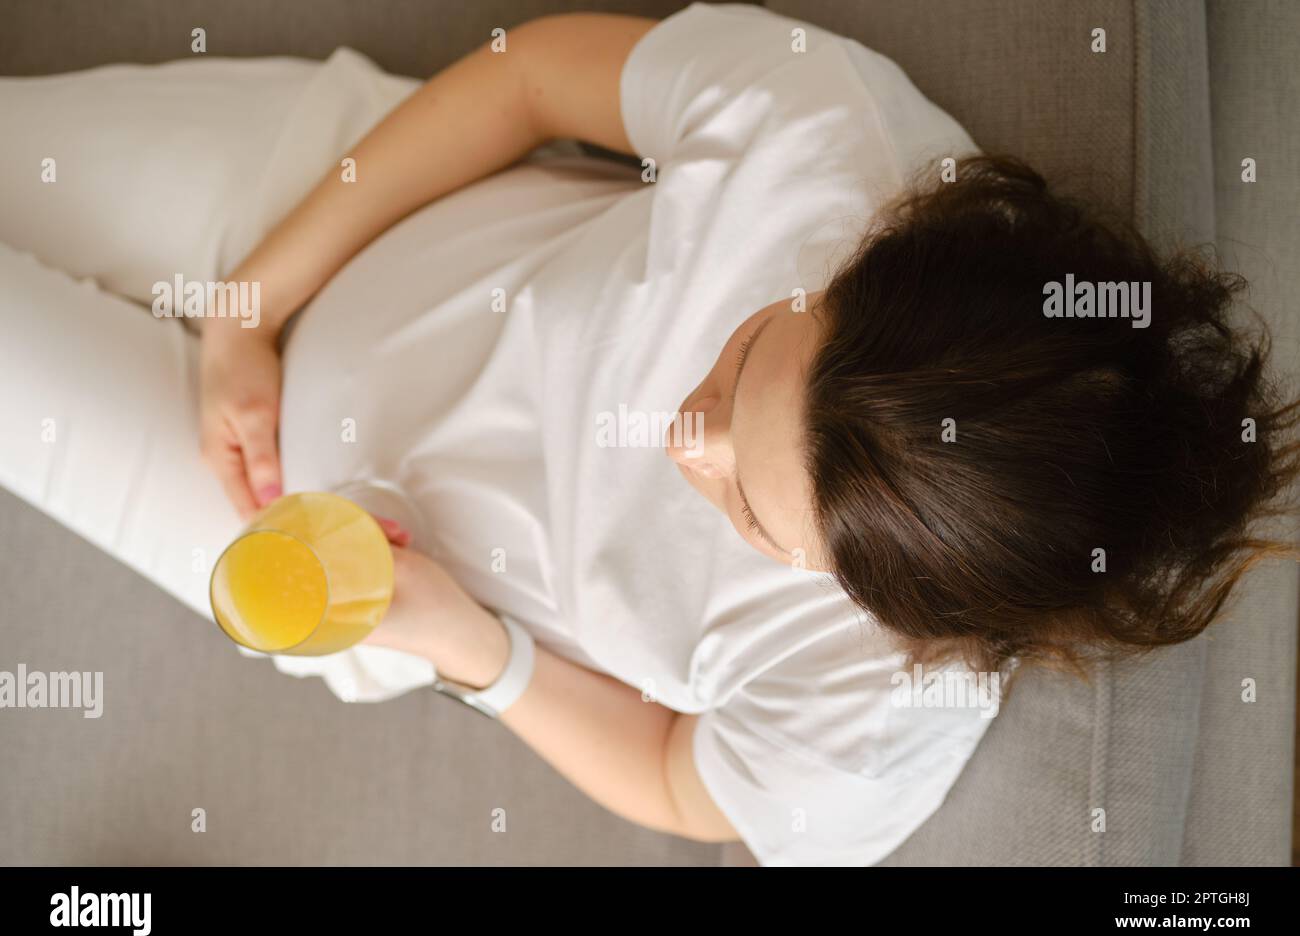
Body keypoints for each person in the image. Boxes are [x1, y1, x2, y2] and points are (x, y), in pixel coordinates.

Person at [0, 3, 1294, 865]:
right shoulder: (826, 138)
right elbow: (527, 79)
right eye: (746, 362)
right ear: (861, 264)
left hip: (305, 537)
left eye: (750, 513)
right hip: (310, 207)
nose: (687, 442)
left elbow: (681, 782)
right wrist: (251, 306)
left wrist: (471, 649)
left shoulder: (872, 728)